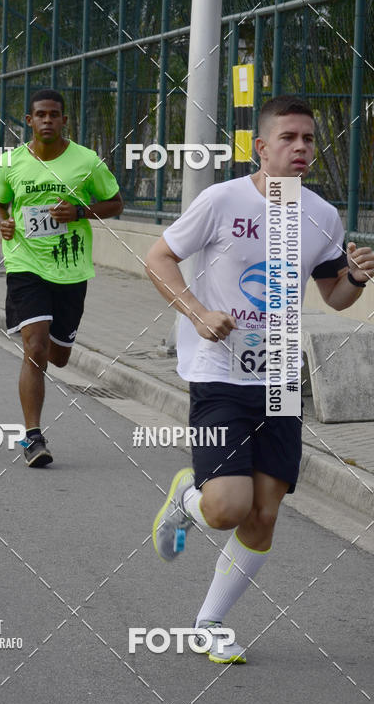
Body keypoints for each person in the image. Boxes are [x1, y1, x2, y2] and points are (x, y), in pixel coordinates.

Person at [146, 95, 374, 664]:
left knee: (265, 512)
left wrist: (356, 278)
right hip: (217, 373)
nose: (301, 148)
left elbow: (335, 297)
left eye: (309, 140)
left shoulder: (321, 214)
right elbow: (157, 258)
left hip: (277, 379)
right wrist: (198, 313)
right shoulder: (221, 200)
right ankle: (186, 499)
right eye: (290, 138)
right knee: (226, 508)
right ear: (261, 146)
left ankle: (210, 621)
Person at [0, 88, 123, 467]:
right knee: (34, 348)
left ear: (64, 121)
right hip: (25, 265)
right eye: (40, 115)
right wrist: (4, 224)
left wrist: (79, 213)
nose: (47, 120)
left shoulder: (87, 161)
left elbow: (115, 203)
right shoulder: (11, 162)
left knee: (58, 356)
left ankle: (52, 355)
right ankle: (33, 437)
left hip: (71, 269)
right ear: (29, 121)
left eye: (54, 115)